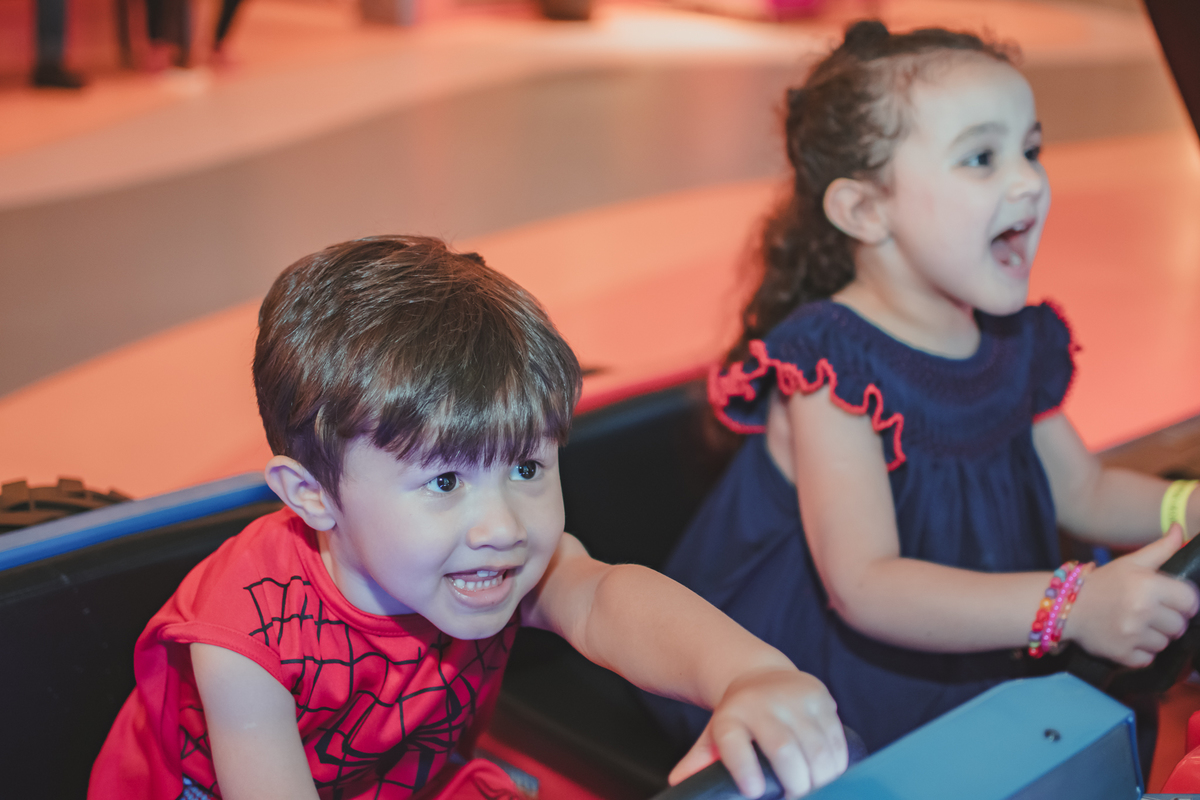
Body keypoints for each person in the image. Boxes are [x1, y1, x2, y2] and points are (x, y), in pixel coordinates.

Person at [88, 235, 848, 800]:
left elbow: (606, 598)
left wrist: (750, 675)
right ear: (313, 496)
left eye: (526, 468)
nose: (502, 525)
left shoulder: (500, 560)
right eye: (445, 480)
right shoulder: (243, 639)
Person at [642, 20, 1200, 755]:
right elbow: (866, 585)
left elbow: (1084, 489)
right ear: (864, 211)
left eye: (1030, 149)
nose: (1029, 181)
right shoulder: (830, 364)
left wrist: (1183, 504)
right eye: (981, 157)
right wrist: (1069, 607)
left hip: (993, 623)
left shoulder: (1010, 338)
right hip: (832, 668)